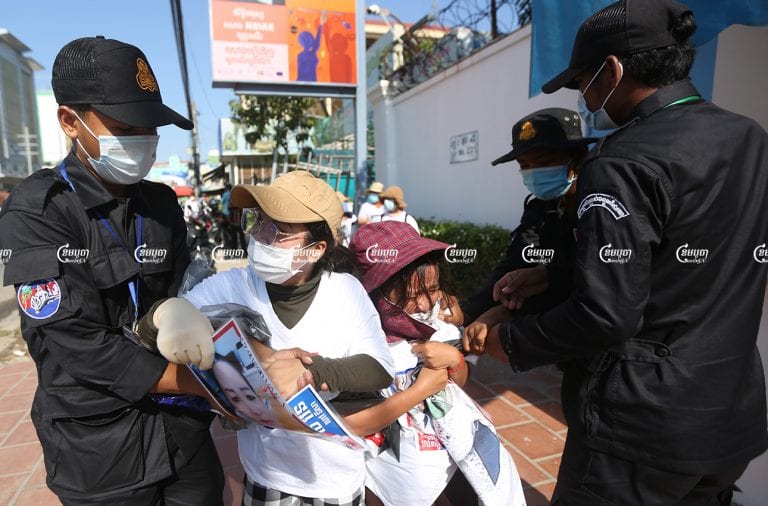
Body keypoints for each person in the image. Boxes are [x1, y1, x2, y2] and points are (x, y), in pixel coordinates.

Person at [465, 1, 768, 504]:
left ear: (612, 70)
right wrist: (555, 274)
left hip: (641, 430)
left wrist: (511, 342)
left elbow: (606, 315)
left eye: (583, 80)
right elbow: (690, 257)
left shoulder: (622, 162)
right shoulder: (750, 138)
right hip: (729, 412)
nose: (586, 96)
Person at [0, 36, 224, 505]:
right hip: (102, 451)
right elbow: (76, 343)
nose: (143, 141)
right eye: (126, 126)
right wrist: (213, 388)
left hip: (182, 433)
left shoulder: (160, 203)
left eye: (151, 127)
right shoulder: (38, 212)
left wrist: (180, 311)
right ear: (70, 121)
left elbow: (186, 287)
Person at [176, 170, 398, 505]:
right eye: (258, 222)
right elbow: (166, 321)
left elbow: (378, 368)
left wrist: (313, 373)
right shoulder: (233, 286)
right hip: (267, 474)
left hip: (335, 480)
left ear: (316, 248)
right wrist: (171, 319)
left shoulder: (345, 292)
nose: (260, 237)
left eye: (278, 231)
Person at [349, 221, 526, 506]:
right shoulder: (358, 344)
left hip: (452, 457)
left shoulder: (439, 325)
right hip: (394, 470)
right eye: (409, 296)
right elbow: (357, 423)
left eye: (431, 290)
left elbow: (462, 380)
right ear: (374, 293)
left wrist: (454, 361)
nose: (423, 305)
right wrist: (420, 390)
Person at [461, 108, 596, 336]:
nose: (534, 172)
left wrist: (510, 312)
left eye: (545, 162)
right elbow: (518, 260)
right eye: (524, 166)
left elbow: (596, 278)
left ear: (579, 157)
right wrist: (467, 309)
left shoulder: (599, 206)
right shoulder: (539, 207)